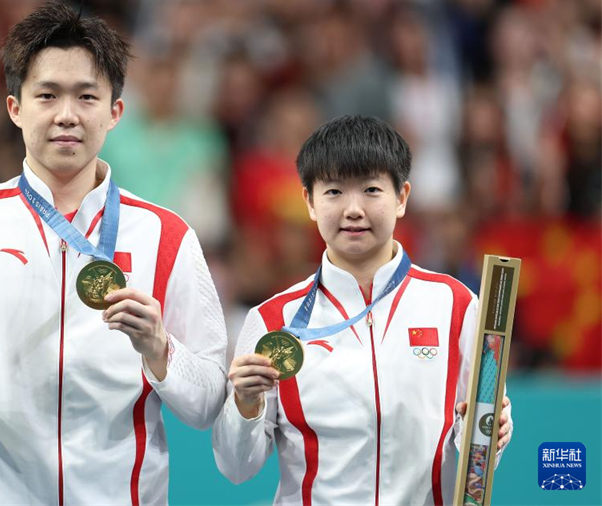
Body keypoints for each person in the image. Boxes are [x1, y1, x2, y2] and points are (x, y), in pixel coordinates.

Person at [0, 1, 227, 506]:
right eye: (47, 95)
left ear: (115, 112)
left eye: (87, 96)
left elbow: (207, 403)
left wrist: (160, 349)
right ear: (15, 108)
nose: (67, 115)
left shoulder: (166, 234)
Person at [212, 115, 513, 505]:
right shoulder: (273, 321)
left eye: (371, 190)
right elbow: (236, 468)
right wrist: (244, 404)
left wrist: (492, 430)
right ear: (309, 202)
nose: (353, 209)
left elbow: (479, 450)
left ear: (402, 197)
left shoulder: (455, 305)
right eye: (334, 192)